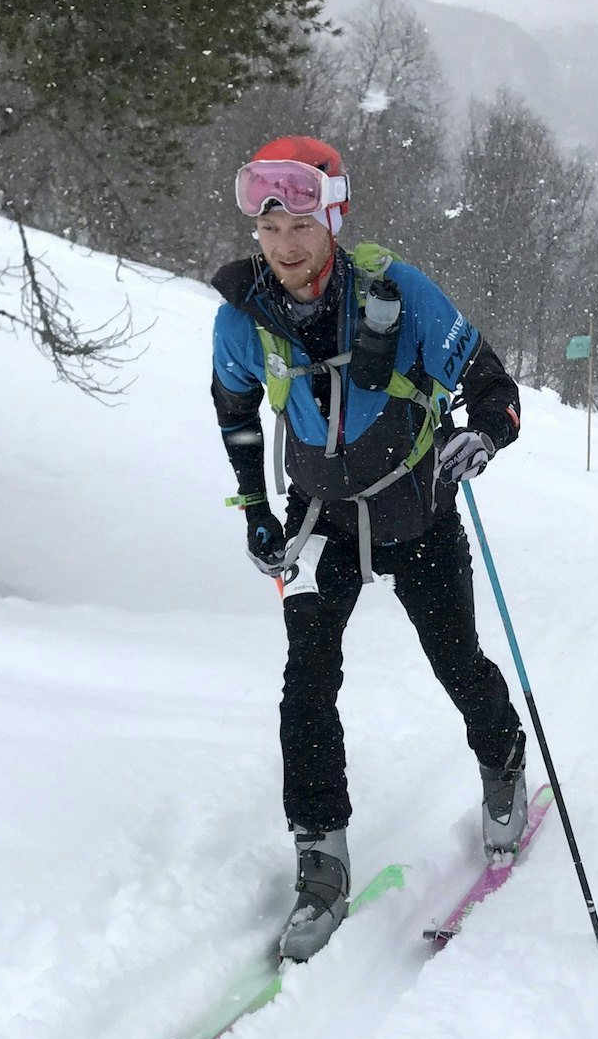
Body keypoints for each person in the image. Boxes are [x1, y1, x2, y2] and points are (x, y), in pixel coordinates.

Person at [210, 135, 527, 961]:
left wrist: (485, 435)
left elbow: (494, 385)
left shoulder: (396, 289)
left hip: (415, 511)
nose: (285, 244)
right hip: (319, 519)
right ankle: (320, 860)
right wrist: (254, 508)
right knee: (306, 682)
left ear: (334, 218)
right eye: (270, 225)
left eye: (302, 223)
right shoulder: (242, 318)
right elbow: (236, 413)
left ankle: (503, 761)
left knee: (458, 663)